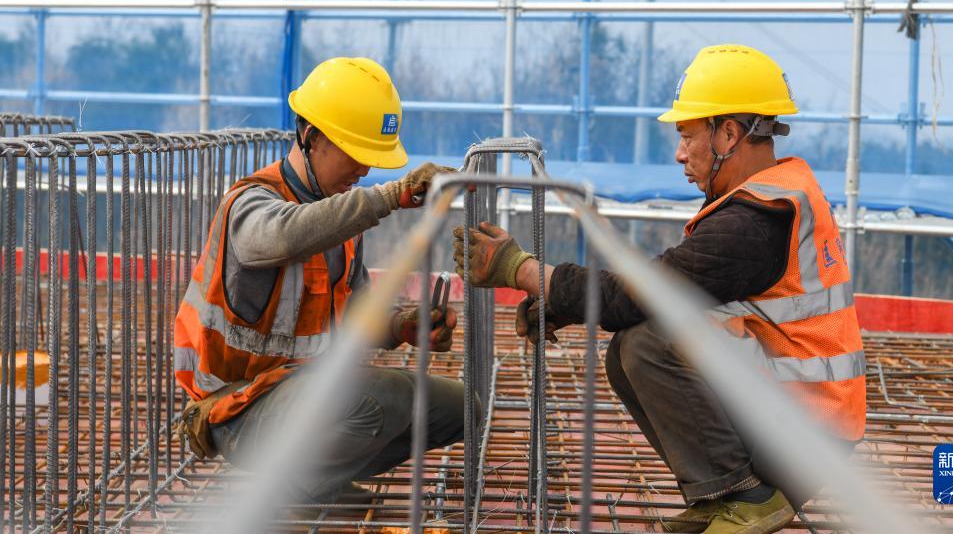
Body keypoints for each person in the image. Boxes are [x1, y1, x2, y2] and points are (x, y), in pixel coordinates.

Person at [453, 44, 865, 534]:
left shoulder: (756, 222)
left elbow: (642, 293)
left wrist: (521, 270)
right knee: (632, 343)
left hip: (803, 436)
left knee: (647, 340)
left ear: (729, 134)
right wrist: (560, 302)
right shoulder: (779, 194)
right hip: (809, 422)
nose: (679, 153)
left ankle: (747, 496)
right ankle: (723, 496)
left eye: (687, 135)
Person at [174, 56, 464, 509]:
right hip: (236, 411)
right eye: (357, 154)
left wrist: (404, 325)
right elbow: (283, 234)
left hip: (304, 399)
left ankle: (316, 483)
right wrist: (391, 197)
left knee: (463, 408)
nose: (365, 171)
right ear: (310, 136)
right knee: (377, 399)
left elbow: (356, 315)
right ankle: (292, 491)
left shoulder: (341, 220)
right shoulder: (249, 205)